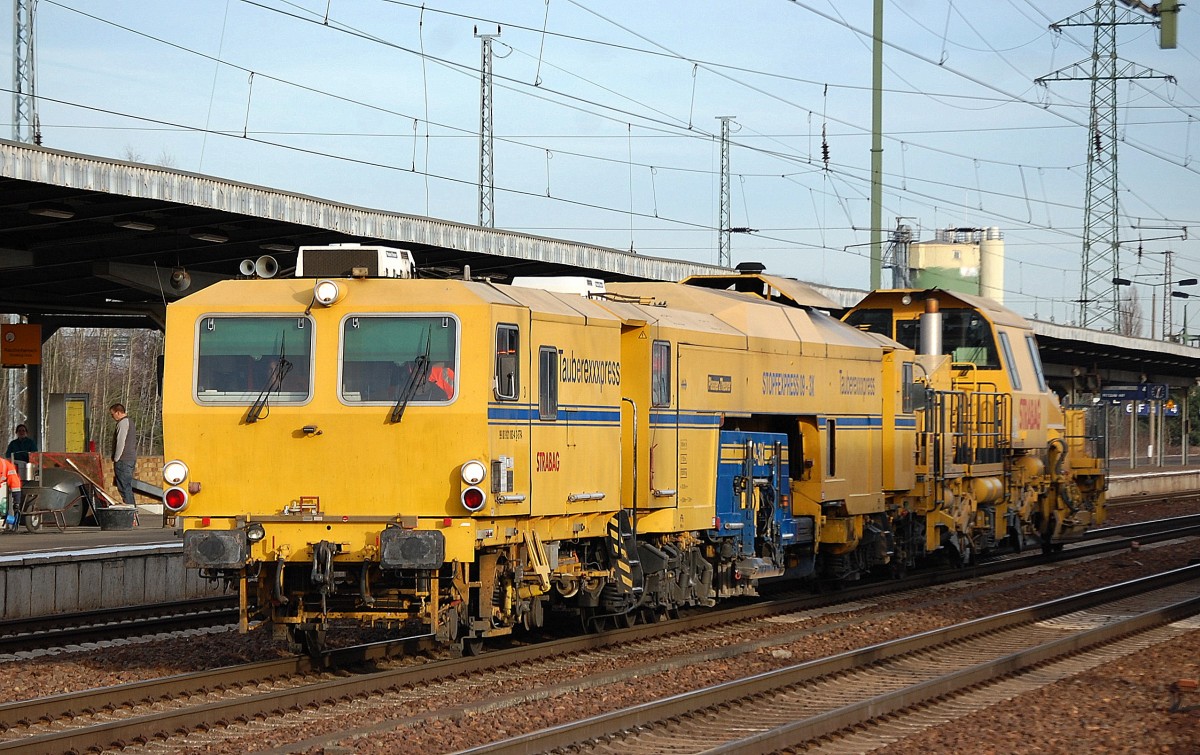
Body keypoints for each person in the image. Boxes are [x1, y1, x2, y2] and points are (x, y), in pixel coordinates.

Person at [109, 403, 137, 506]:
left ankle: (131, 512)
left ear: (118, 412)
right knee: (127, 487)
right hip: (130, 459)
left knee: (124, 488)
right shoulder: (130, 422)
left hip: (123, 460)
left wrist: (116, 458)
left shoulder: (123, 423)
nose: (112, 417)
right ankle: (132, 512)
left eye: (113, 414)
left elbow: (121, 442)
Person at [0, 455, 22, 528]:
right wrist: (17, 503)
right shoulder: (6, 465)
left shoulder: (6, 465)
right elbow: (15, 484)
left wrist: (16, 503)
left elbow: (15, 484)